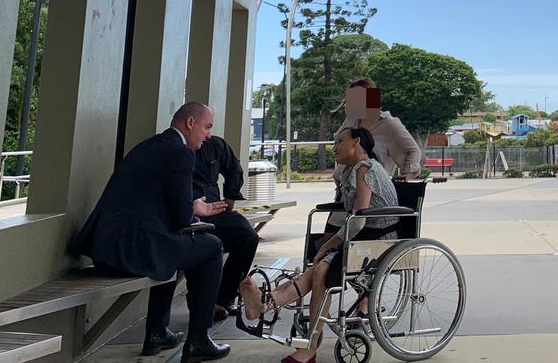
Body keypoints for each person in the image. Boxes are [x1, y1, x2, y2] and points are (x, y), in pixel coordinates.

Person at [75, 102, 231, 363]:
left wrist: (189, 209)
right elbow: (182, 217)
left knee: (182, 247)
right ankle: (199, 340)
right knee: (211, 246)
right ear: (190, 123)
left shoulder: (149, 146)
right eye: (207, 127)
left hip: (105, 249)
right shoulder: (181, 153)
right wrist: (196, 209)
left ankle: (157, 332)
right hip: (131, 252)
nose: (208, 135)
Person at [239, 127, 399, 363]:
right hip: (361, 238)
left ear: (356, 143)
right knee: (317, 270)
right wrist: (329, 242)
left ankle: (308, 345)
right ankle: (265, 304)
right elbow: (351, 217)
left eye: (339, 142)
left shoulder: (367, 169)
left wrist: (329, 244)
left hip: (378, 240)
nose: (334, 147)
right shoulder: (352, 171)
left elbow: (358, 219)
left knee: (322, 269)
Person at [326, 77, 421, 233]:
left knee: (339, 244)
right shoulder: (351, 121)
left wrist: (405, 178)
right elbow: (340, 143)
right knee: (325, 242)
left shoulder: (389, 124)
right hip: (346, 192)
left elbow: (413, 151)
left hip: (371, 196)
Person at [192, 135, 259, 321]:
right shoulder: (178, 149)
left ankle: (224, 298)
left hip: (215, 209)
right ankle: (201, 305)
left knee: (248, 236)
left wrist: (230, 196)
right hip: (187, 213)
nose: (207, 134)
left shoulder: (215, 144)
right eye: (205, 127)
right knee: (203, 245)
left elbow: (234, 169)